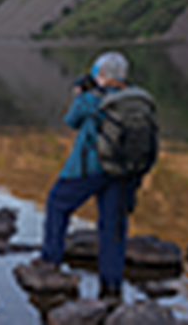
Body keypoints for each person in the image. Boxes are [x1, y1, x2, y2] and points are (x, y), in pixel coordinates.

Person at [35, 52, 150, 300]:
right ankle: (111, 285)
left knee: (57, 203)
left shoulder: (90, 99)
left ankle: (50, 260)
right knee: (113, 225)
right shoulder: (136, 98)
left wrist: (80, 95)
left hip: (89, 169)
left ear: (101, 74)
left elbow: (72, 120)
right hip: (124, 171)